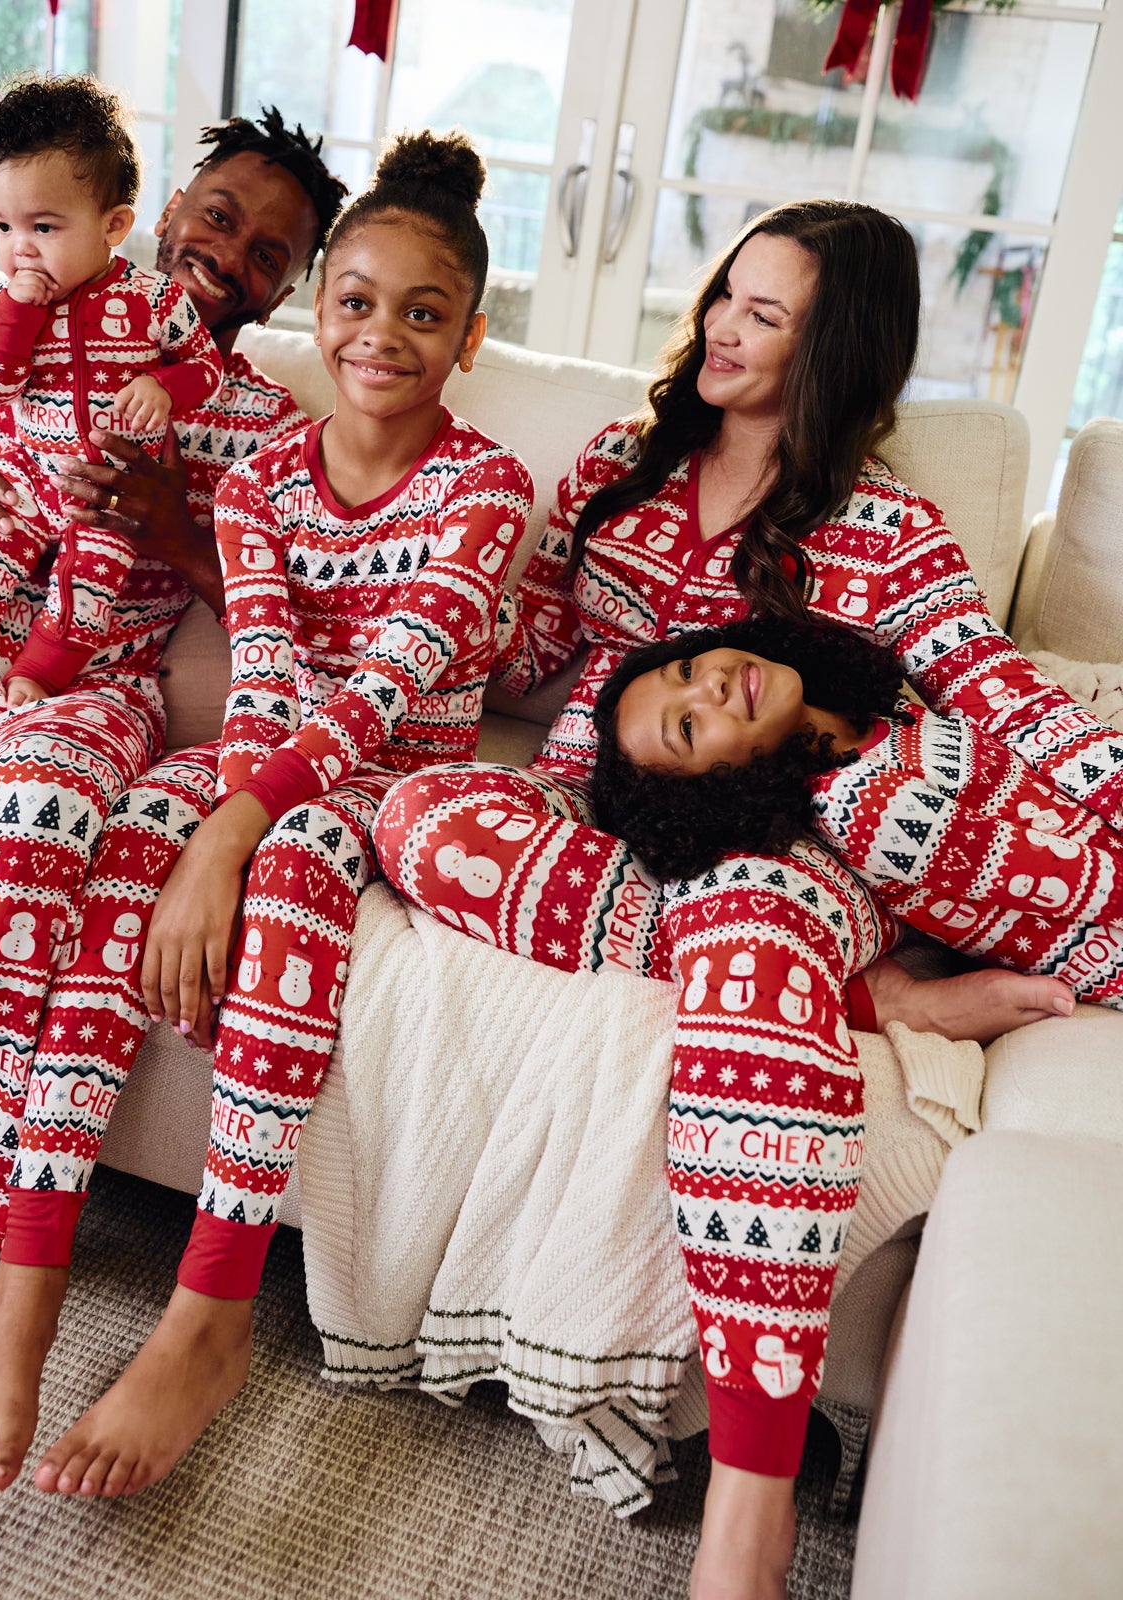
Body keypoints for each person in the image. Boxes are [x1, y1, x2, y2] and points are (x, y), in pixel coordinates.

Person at [368, 200, 1119, 1600]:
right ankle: (856, 1003)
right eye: (728, 294)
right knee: (417, 812)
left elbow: (997, 692)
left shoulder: (884, 526)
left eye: (767, 317)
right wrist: (443, 550)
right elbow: (526, 646)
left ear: (835, 352)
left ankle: (750, 1517)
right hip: (609, 826)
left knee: (767, 908)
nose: (722, 326)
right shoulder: (618, 464)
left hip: (790, 861)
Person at [0, 128, 534, 1501]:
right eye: (358, 303)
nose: (384, 337)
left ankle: (208, 1312)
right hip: (268, 753)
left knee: (299, 856)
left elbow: (388, 689)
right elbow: (264, 672)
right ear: (319, 312)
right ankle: (27, 1287)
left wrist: (232, 836)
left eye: (424, 314)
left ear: (471, 338)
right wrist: (203, 818)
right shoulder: (260, 475)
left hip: (392, 778)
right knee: (127, 835)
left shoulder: (488, 487)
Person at [0, 105, 347, 1399]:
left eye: (272, 256)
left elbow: (317, 623)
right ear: (160, 208)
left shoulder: (261, 424)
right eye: (222, 217)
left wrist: (183, 529)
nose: (233, 258)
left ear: (288, 288)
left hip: (91, 697)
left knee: (33, 823)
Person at [593, 617, 1123, 1006]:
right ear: (708, 793)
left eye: (685, 669)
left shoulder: (876, 715)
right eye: (687, 727)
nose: (712, 683)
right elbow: (1074, 880)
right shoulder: (862, 808)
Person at [0, 75, 225, 711]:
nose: (20, 249)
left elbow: (207, 368)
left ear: (113, 224)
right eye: (3, 227)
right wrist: (17, 316)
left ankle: (39, 673)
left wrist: (164, 387)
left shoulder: (155, 299)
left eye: (43, 226)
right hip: (32, 471)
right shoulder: (9, 307)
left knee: (89, 587)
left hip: (111, 487)